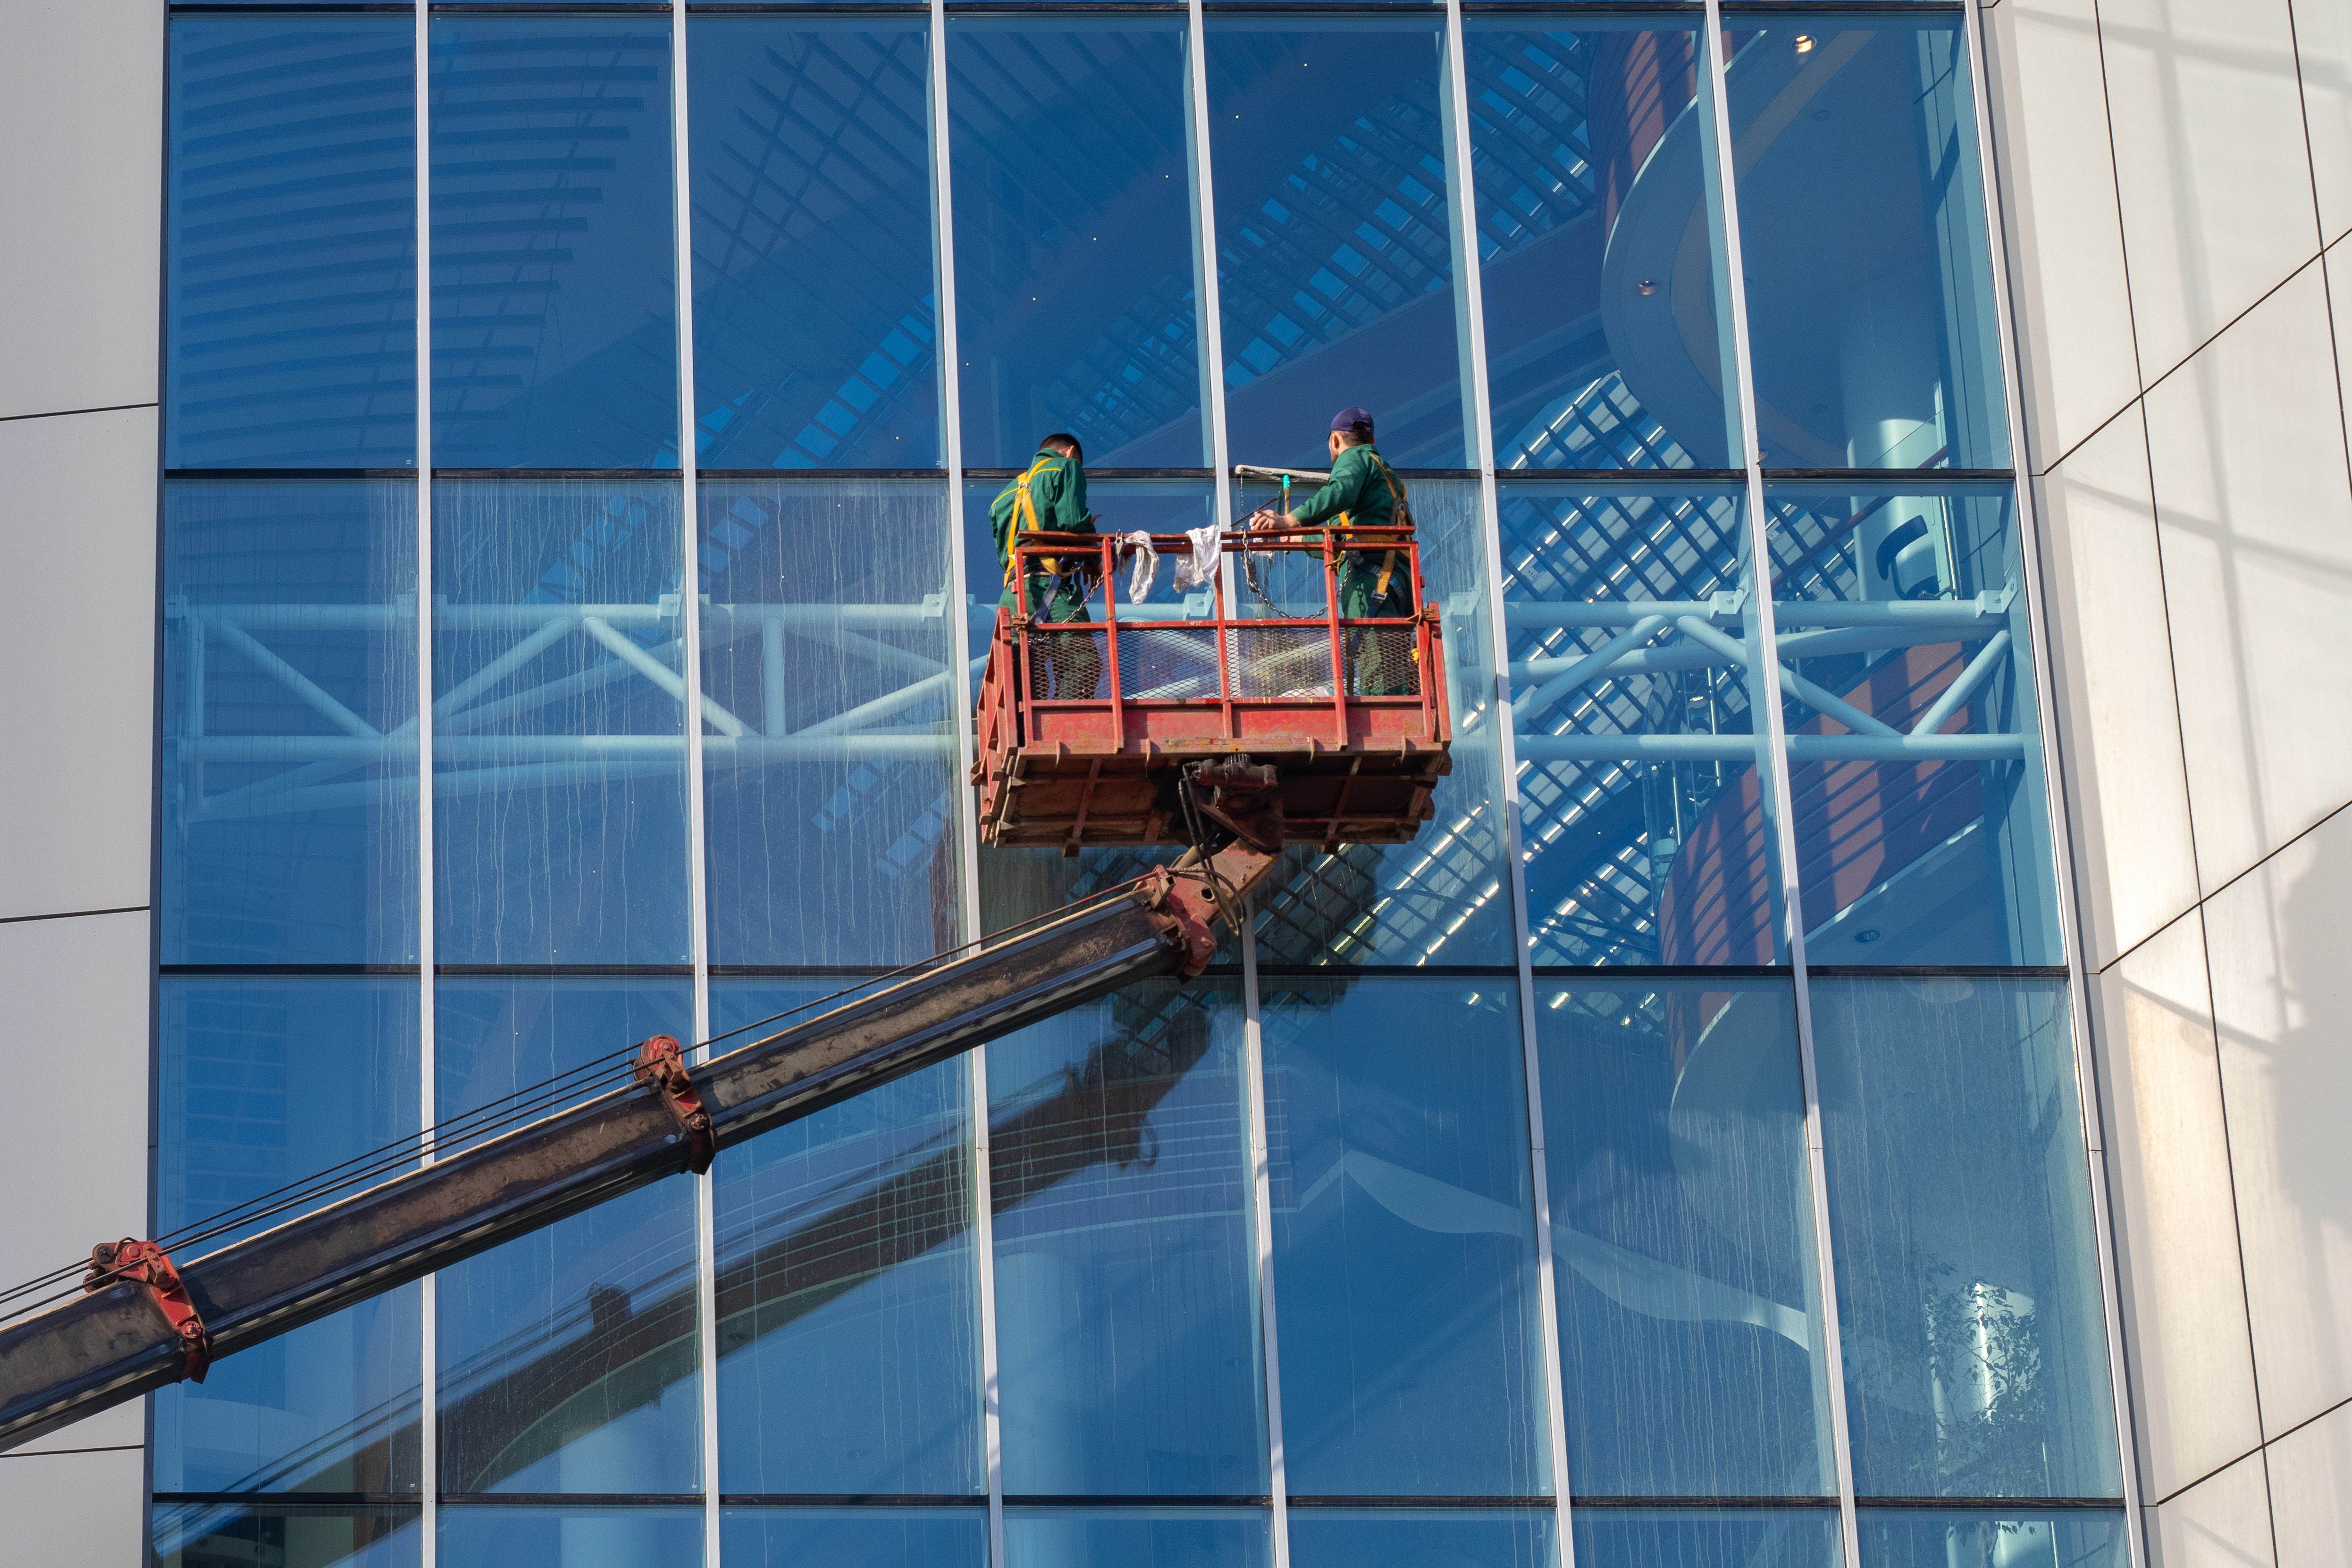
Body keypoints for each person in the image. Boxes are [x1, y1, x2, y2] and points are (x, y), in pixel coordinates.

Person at [1274, 407, 1416, 694]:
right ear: (1372, 438)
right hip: (1392, 578)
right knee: (1389, 655)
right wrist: (1297, 540)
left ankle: (1383, 719)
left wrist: (1290, 520)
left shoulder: (1355, 457)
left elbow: (1340, 491)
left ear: (1335, 442)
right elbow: (1338, 536)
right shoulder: (1382, 476)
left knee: (1375, 658)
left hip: (1370, 578)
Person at [991, 432, 1102, 699]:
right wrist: (1093, 558)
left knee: (1027, 676)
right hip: (1049, 587)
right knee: (1082, 663)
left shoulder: (1002, 498)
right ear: (1070, 452)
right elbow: (1074, 522)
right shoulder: (1066, 467)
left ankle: (1029, 735)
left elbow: (1003, 555)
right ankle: (1062, 731)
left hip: (1013, 594)